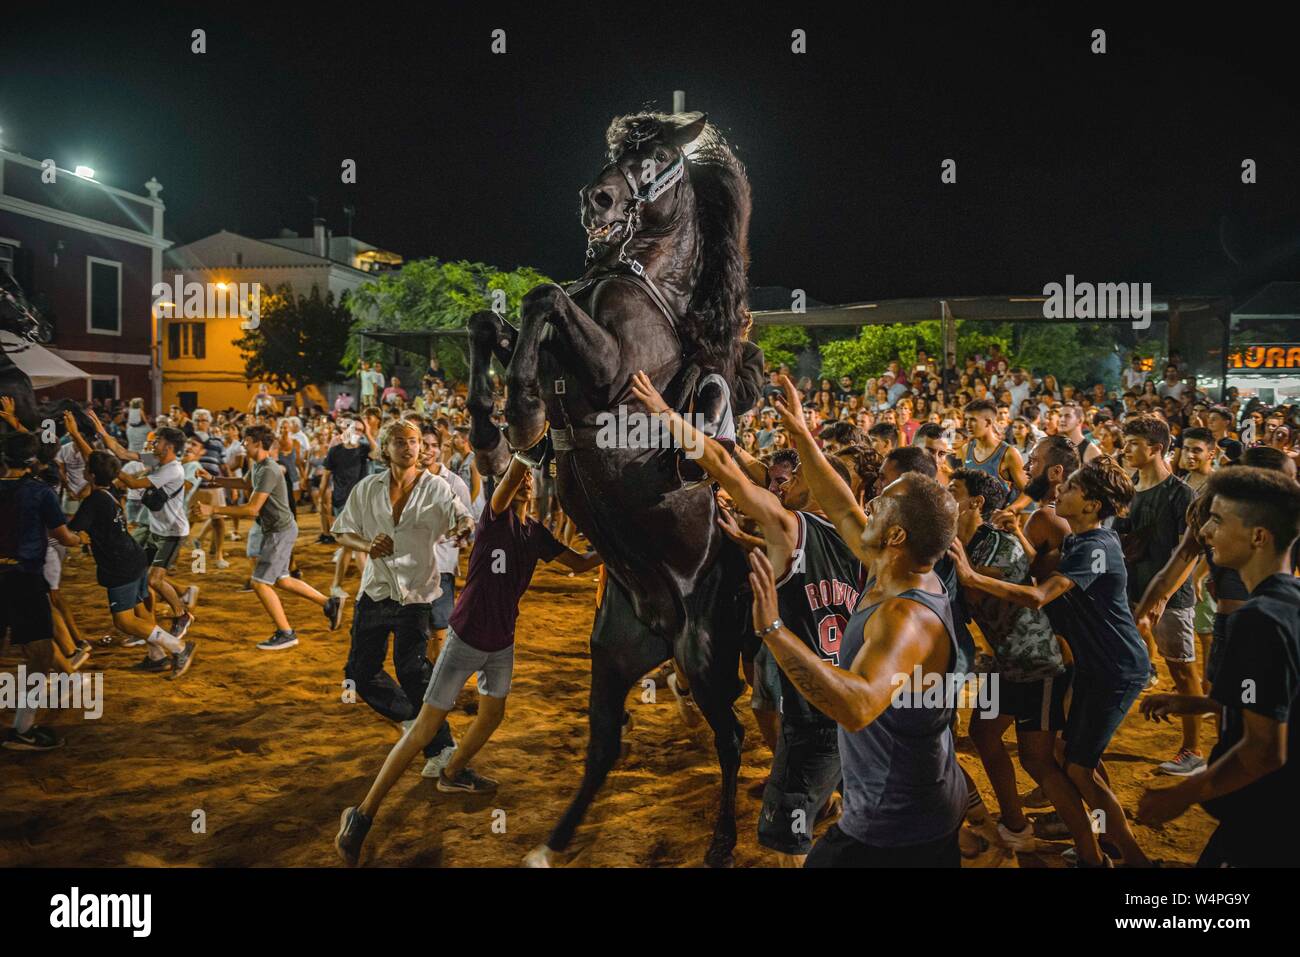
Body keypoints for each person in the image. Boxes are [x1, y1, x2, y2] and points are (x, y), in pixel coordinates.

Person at [631, 370, 860, 866]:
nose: (788, 481)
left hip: (815, 712)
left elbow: (723, 464)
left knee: (784, 846)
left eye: (800, 476)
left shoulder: (790, 525)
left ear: (825, 488)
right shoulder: (866, 535)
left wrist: (665, 415)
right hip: (862, 703)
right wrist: (801, 433)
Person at [334, 453, 601, 865]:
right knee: (423, 729)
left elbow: (580, 565)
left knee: (492, 716)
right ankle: (362, 814)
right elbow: (511, 474)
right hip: (464, 640)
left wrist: (614, 548)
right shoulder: (494, 519)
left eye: (531, 477)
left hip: (502, 641)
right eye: (520, 477)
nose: (526, 481)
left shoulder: (536, 533)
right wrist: (530, 447)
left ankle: (453, 772)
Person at [747, 470, 964, 867]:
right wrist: (799, 430)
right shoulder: (899, 570)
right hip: (924, 803)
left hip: (896, 824)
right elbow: (842, 505)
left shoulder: (905, 617)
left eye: (880, 505)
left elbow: (856, 707)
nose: (868, 506)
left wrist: (774, 631)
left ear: (896, 536)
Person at [949, 458, 1153, 867]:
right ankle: (1067, 838)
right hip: (1049, 664)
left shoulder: (1096, 546)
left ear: (1093, 504)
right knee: (1040, 751)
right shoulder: (1080, 540)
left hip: (1105, 668)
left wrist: (971, 577)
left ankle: (1115, 853)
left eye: (1072, 488)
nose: (1060, 491)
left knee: (1070, 766)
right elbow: (1035, 571)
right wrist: (1023, 536)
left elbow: (1038, 594)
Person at [1137, 467, 1300, 866]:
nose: (1206, 532)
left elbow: (1264, 751)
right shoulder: (1290, 601)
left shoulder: (1257, 620)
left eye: (1218, 520)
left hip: (1266, 817)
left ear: (1258, 537)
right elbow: (1275, 699)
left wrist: (1182, 794)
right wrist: (1197, 704)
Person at [330, 419, 474, 779]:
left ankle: (441, 747)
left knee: (413, 671)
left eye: (413, 441)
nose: (410, 447)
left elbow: (462, 515)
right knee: (360, 673)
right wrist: (367, 545)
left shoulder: (437, 487)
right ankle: (413, 719)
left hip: (416, 594)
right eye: (401, 441)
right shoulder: (368, 489)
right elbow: (342, 533)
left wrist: (464, 528)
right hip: (375, 591)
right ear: (386, 448)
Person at [198, 424, 344, 649]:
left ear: (257, 443)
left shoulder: (268, 469)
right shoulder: (258, 466)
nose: (242, 444)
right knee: (282, 579)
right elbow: (245, 483)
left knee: (259, 583)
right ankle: (328, 603)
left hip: (279, 531)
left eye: (246, 441)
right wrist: (213, 479)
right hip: (277, 530)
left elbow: (252, 509)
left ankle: (286, 632)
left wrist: (214, 510)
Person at [1116, 415, 1201, 770]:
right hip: (1134, 591)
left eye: (1133, 443)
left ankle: (1193, 751)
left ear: (1156, 449)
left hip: (1172, 600)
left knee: (1182, 671)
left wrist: (1164, 597)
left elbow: (1191, 553)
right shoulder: (1128, 490)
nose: (1125, 449)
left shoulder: (1183, 495)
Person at [70, 451, 193, 677]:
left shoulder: (93, 501)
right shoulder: (110, 493)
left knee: (124, 621)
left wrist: (78, 538)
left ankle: (180, 648)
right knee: (140, 611)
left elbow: (71, 531)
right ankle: (157, 656)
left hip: (120, 564)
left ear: (91, 474)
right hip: (133, 557)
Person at [0, 432, 85, 750]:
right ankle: (22, 728)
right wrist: (81, 539)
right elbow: (62, 536)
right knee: (40, 654)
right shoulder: (39, 492)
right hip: (24, 578)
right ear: (33, 462)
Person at [97, 422, 198, 635]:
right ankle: (151, 620)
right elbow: (122, 452)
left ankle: (181, 614)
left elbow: (133, 484)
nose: (153, 443)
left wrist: (110, 468)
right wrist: (102, 430)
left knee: (154, 579)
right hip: (156, 529)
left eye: (157, 440)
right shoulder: (157, 459)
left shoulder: (172, 469)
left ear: (169, 446)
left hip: (172, 533)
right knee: (141, 574)